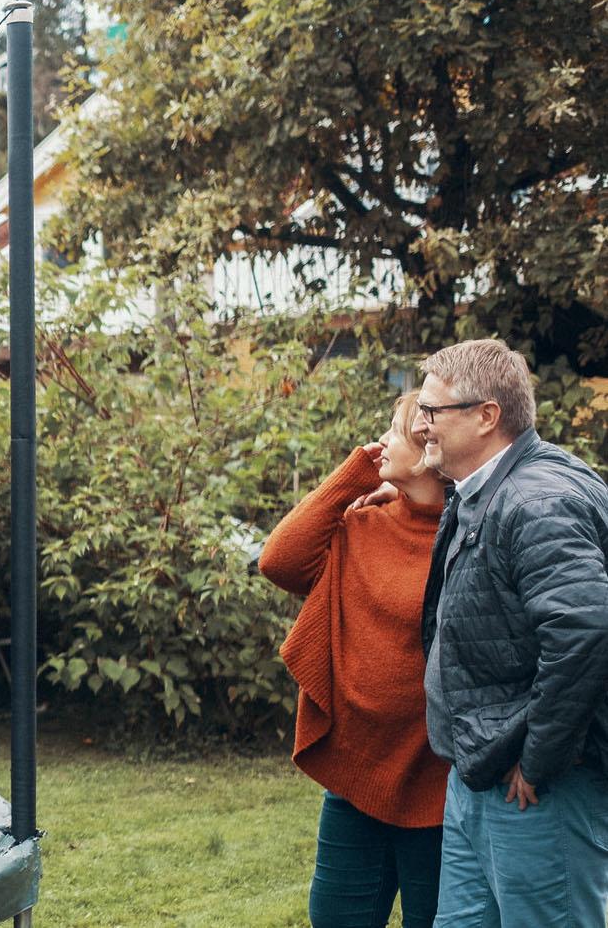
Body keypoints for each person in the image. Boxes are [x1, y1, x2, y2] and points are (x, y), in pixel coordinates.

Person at [412, 338, 608, 927]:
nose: (421, 425)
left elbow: (583, 628)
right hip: (478, 776)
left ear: (486, 416)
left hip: (539, 790)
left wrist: (538, 759)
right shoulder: (482, 491)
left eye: (432, 412)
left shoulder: (536, 499)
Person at [260, 391, 451, 928]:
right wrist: (357, 477)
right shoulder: (364, 522)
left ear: (432, 449)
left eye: (394, 431)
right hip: (356, 774)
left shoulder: (467, 535)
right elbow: (279, 561)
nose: (380, 441)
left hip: (436, 786)